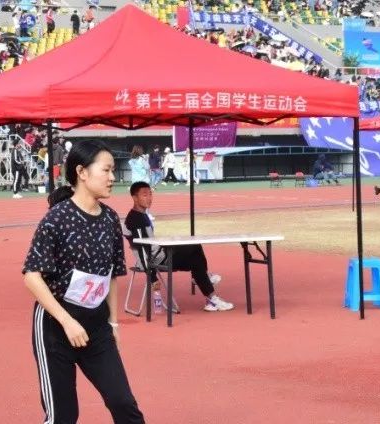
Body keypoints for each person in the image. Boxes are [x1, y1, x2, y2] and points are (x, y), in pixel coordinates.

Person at [22, 140, 145, 424]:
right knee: (63, 416)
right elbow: (32, 276)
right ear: (82, 172)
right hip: (56, 326)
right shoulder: (56, 219)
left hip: (96, 326)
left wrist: (113, 323)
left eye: (113, 170)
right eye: (106, 170)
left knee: (123, 403)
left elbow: (111, 274)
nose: (112, 177)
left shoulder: (110, 218)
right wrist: (67, 322)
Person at [124, 181, 234, 312]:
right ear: (135, 198)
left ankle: (211, 298)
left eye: (150, 194)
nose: (149, 198)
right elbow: (142, 250)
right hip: (154, 261)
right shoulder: (136, 220)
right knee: (194, 247)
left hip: (158, 255)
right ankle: (206, 287)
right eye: (144, 195)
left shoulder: (141, 215)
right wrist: (152, 277)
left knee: (196, 260)